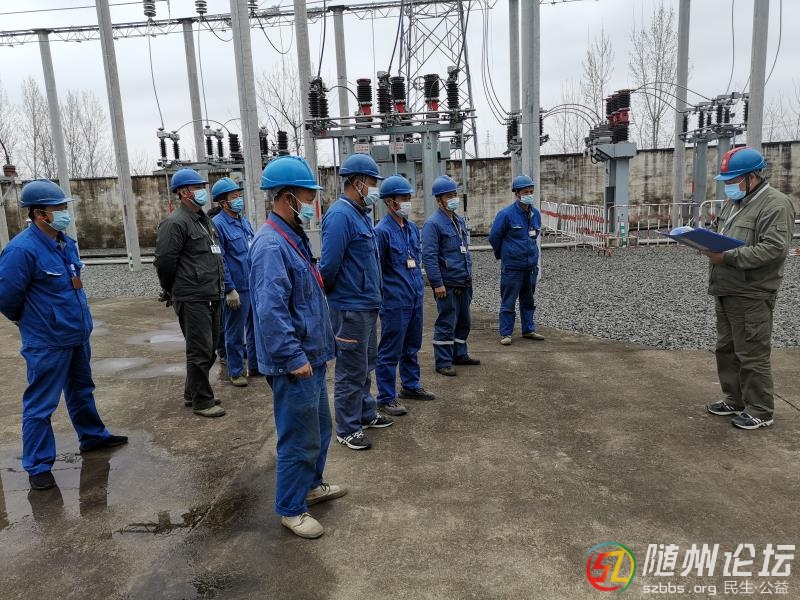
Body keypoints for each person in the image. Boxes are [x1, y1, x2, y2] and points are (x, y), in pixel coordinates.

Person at [0, 179, 127, 491]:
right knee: (41, 403)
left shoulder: (64, 243)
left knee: (82, 390)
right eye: (57, 208)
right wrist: (29, 321)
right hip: (47, 341)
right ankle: (38, 464)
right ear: (39, 213)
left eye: (63, 207)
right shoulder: (21, 250)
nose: (63, 212)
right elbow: (6, 297)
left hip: (76, 334)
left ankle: (93, 437)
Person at [250, 156, 346, 539]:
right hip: (294, 362)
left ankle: (311, 485)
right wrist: (292, 356)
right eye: (308, 196)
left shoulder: (293, 237)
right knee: (298, 436)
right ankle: (291, 508)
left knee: (320, 428)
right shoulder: (270, 244)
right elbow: (270, 310)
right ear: (287, 197)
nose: (313, 203)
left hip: (311, 355)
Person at [703, 147, 795, 430]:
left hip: (752, 293)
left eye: (733, 180)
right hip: (726, 287)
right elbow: (722, 233)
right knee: (726, 349)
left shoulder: (775, 205)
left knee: (752, 353)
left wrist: (727, 257)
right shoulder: (736, 202)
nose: (729, 186)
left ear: (752, 177)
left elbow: (773, 249)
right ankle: (735, 399)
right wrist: (704, 240)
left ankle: (760, 410)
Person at [319, 153, 394, 451]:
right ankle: (347, 428)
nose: (375, 188)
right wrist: (340, 298)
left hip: (366, 304)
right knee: (351, 370)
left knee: (365, 365)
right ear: (358, 182)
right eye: (372, 182)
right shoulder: (340, 215)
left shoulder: (360, 213)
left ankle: (365, 413)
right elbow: (328, 266)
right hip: (350, 307)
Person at [154, 168, 226, 418]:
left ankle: (192, 392)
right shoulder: (175, 223)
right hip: (192, 296)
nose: (202, 191)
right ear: (184, 192)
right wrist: (172, 289)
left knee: (209, 348)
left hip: (211, 293)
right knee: (200, 350)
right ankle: (202, 401)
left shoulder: (203, 220)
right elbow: (165, 262)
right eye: (197, 187)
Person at [374, 175, 436, 417]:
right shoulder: (382, 232)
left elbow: (414, 262)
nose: (408, 202)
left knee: (411, 346)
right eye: (403, 198)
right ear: (389, 202)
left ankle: (410, 385)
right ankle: (386, 397)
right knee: (390, 350)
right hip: (394, 302)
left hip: (414, 298)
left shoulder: (411, 228)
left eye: (409, 197)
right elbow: (376, 270)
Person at [421, 175, 480, 376]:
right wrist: (437, 283)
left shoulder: (458, 220)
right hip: (447, 284)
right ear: (439, 200)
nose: (454, 198)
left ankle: (459, 354)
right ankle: (443, 361)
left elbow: (464, 250)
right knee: (446, 322)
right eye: (449, 196)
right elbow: (429, 256)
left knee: (464, 321)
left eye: (455, 194)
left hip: (463, 281)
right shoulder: (433, 224)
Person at [488, 174, 546, 346]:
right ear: (517, 193)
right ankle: (506, 333)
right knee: (508, 301)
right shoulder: (506, 214)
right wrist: (504, 255)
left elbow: (534, 235)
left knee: (528, 300)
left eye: (531, 191)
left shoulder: (535, 214)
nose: (529, 194)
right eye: (525, 192)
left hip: (530, 267)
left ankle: (528, 330)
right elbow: (494, 237)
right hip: (512, 268)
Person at [211, 177, 257, 387]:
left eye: (239, 195)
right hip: (237, 287)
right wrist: (229, 288)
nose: (239, 199)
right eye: (234, 196)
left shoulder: (243, 221)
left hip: (252, 283)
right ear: (223, 202)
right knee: (235, 332)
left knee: (255, 329)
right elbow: (220, 260)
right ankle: (236, 371)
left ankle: (255, 365)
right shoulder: (218, 225)